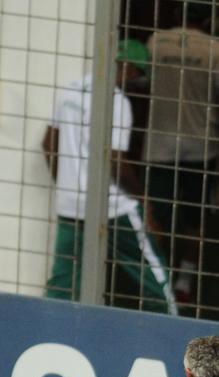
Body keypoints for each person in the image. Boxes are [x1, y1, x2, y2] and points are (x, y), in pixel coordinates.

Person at [42, 40, 178, 315]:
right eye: (138, 76)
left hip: (72, 204)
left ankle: (50, 329)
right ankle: (174, 330)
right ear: (128, 69)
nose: (136, 83)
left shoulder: (71, 91)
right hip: (113, 208)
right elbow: (115, 162)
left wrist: (70, 183)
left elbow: (48, 144)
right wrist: (142, 198)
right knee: (153, 276)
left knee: (62, 282)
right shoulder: (116, 102)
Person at [144, 2, 219, 316]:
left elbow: (139, 88)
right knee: (193, 220)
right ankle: (184, 283)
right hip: (201, 147)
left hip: (159, 144)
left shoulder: (156, 42)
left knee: (154, 214)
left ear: (176, 15)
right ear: (207, 20)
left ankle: (158, 278)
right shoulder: (213, 48)